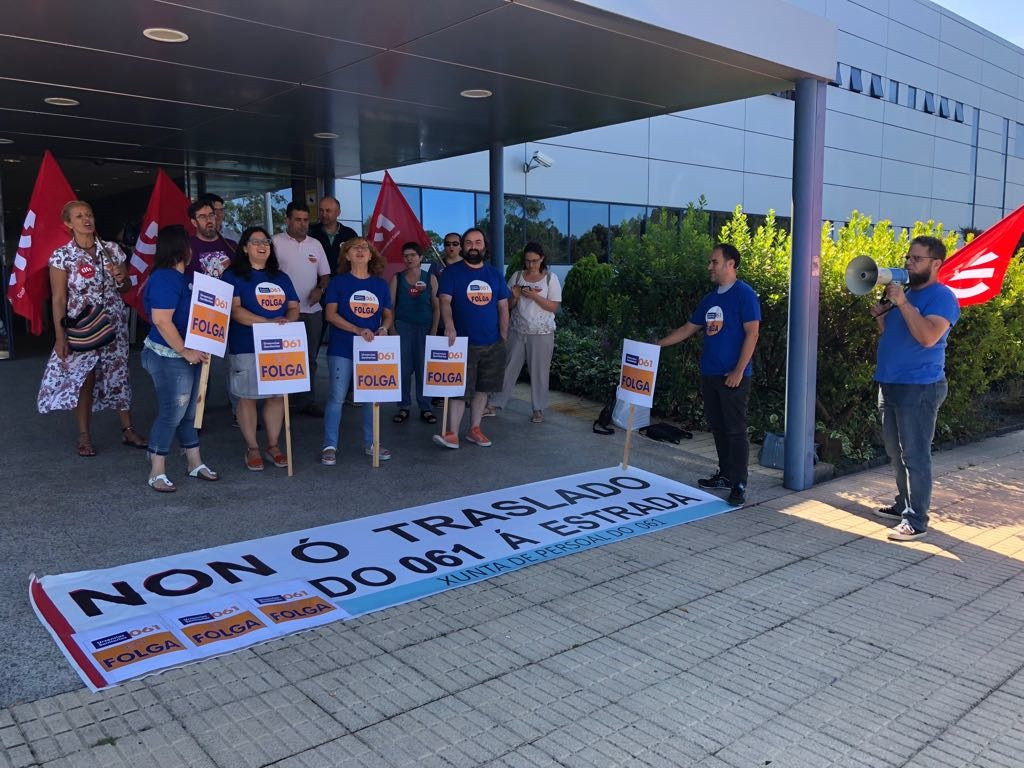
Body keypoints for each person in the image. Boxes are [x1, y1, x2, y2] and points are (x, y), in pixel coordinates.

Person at [37, 201, 148, 455]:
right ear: (68, 224)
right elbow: (58, 298)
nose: (86, 219)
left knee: (119, 375)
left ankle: (128, 430)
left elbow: (126, 287)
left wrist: (121, 279)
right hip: (83, 327)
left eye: (89, 214)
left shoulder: (111, 250)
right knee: (84, 378)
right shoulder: (61, 256)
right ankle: (85, 436)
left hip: (113, 325)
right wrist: (59, 336)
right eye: (79, 216)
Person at [656, 243, 760, 505]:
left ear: (730, 264)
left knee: (735, 431)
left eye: (714, 262)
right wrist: (656, 345)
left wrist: (738, 370)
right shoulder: (710, 299)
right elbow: (688, 328)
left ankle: (738, 483)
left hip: (733, 375)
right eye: (710, 262)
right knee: (718, 427)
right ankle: (725, 474)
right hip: (710, 374)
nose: (710, 267)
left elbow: (753, 333)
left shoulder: (744, 294)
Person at [871, 236, 960, 541]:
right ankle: (902, 505)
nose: (909, 263)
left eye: (916, 259)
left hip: (919, 387)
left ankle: (917, 520)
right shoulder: (905, 293)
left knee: (915, 455)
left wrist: (904, 303)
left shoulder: (942, 297)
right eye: (908, 257)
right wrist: (881, 317)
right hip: (891, 382)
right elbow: (894, 334)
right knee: (895, 452)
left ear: (936, 264)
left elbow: (927, 337)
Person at [140, 225, 218, 492]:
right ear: (181, 248)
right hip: (169, 355)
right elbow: (162, 321)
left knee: (189, 412)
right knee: (173, 411)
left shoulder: (184, 277)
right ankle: (157, 468)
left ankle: (194, 462)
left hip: (189, 353)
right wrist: (185, 350)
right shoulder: (164, 278)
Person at [222, 227, 300, 471]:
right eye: (255, 242)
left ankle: (273, 445)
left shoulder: (281, 277)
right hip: (245, 345)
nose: (262, 245)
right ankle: (252, 447)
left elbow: (294, 307)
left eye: (265, 241)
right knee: (247, 397)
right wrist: (268, 324)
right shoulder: (233, 275)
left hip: (279, 348)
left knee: (276, 396)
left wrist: (288, 320)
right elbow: (235, 311)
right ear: (245, 248)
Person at [433, 228, 509, 449]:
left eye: (478, 242)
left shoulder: (494, 274)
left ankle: (475, 429)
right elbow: (444, 302)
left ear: (484, 246)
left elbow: (503, 306)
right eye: (468, 242)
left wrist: (503, 335)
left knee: (483, 389)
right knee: (458, 391)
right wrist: (449, 326)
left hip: (492, 342)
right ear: (463, 246)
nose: (473, 246)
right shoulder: (451, 273)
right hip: (461, 343)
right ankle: (452, 434)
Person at [321, 237, 393, 465]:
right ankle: (329, 445)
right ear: (347, 256)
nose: (361, 251)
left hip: (370, 349)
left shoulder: (381, 285)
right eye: (355, 248)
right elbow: (330, 315)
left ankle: (373, 443)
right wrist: (357, 329)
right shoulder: (338, 283)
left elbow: (388, 314)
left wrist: (383, 328)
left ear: (372, 255)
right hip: (342, 346)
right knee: (337, 397)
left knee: (372, 397)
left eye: (365, 248)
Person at [486, 242, 561, 423]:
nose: (531, 265)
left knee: (539, 371)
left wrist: (534, 296)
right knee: (509, 366)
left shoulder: (551, 278)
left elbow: (554, 306)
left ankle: (538, 408)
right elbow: (507, 305)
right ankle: (495, 403)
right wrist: (515, 296)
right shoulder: (517, 276)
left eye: (534, 261)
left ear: (542, 259)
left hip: (542, 332)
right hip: (518, 329)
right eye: (527, 261)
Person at [273, 201, 331, 417]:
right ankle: (283, 401)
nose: (302, 224)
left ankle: (307, 400)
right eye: (297, 220)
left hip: (312, 310)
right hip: (285, 312)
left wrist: (320, 289)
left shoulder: (315, 244)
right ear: (287, 220)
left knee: (311, 359)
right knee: (286, 357)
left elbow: (325, 275)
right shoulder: (275, 242)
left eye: (306, 220)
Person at [389, 242, 439, 424]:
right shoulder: (397, 278)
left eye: (412, 255)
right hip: (402, 326)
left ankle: (426, 407)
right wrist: (392, 329)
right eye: (406, 255)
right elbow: (390, 306)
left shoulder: (430, 278)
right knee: (403, 369)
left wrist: (433, 329)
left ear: (420, 258)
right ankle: (403, 406)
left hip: (425, 327)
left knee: (423, 369)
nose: (409, 258)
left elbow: (437, 306)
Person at [428, 232, 464, 407]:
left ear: (461, 246)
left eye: (455, 243)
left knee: (461, 359)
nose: (451, 247)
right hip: (442, 321)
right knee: (441, 360)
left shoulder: (467, 265)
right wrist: (436, 324)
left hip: (463, 322)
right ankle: (439, 395)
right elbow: (435, 298)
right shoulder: (436, 266)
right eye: (448, 243)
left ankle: (460, 394)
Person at [310, 195, 358, 277]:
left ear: (338, 213)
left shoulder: (350, 234)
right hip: (317, 285)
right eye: (321, 210)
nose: (324, 214)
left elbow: (356, 261)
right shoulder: (311, 232)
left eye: (328, 211)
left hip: (343, 284)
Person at [187, 199, 235, 280]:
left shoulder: (231, 245)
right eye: (202, 216)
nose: (208, 220)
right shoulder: (186, 247)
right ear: (194, 222)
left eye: (211, 215)